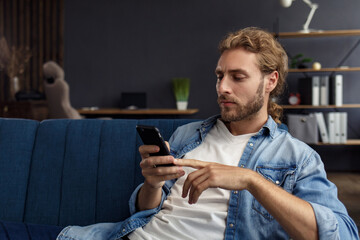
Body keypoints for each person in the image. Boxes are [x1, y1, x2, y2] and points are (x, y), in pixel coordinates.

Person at [57, 27, 359, 240]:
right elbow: (146, 211)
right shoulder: (188, 134)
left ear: (270, 81)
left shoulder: (297, 157)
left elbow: (341, 234)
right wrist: (151, 184)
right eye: (219, 76)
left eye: (237, 77)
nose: (222, 87)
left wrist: (251, 180)